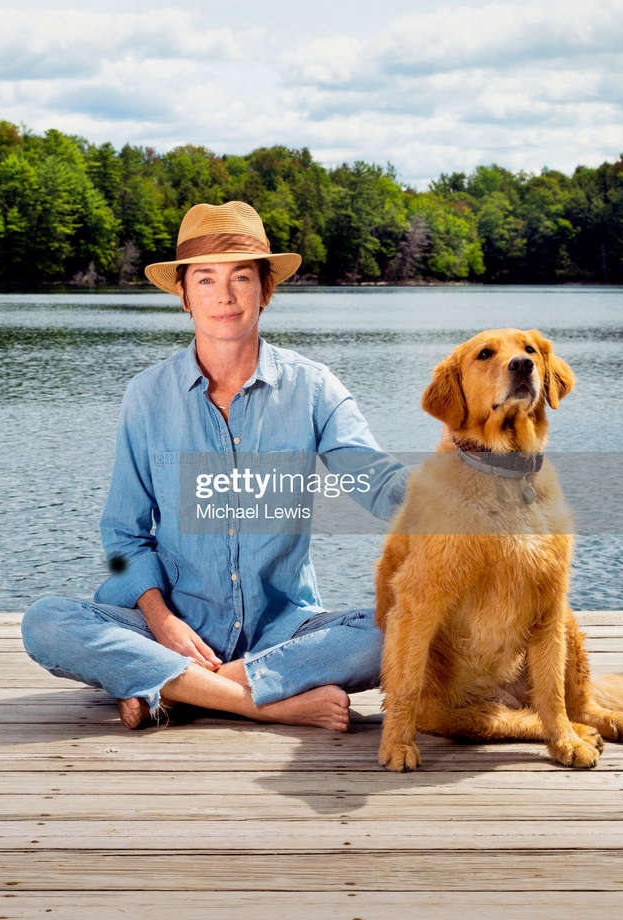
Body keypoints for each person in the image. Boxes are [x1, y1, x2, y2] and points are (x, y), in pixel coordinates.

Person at [21, 201, 409, 732]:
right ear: (184, 295)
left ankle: (178, 690)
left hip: (285, 630)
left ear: (265, 290)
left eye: (241, 278)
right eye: (205, 280)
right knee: (46, 621)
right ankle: (259, 700)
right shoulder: (147, 396)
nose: (224, 296)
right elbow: (121, 538)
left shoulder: (315, 389)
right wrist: (161, 623)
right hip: (173, 627)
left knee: (394, 629)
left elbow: (380, 484)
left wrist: (467, 475)